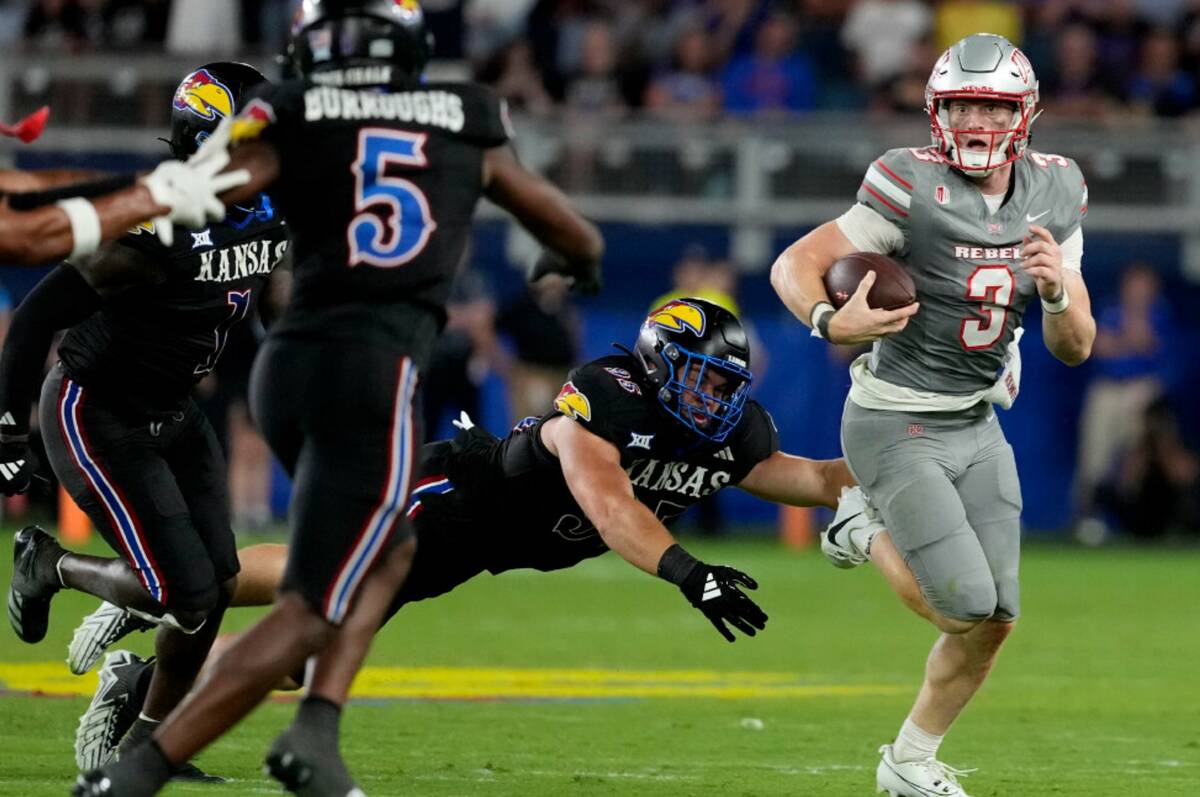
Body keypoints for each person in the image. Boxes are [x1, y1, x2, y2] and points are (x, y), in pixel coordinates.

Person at [75, 2, 603, 795]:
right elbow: (574, 234)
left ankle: (276, 718)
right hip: (372, 367)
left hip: (286, 365)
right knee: (332, 591)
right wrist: (577, 259)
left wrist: (81, 219)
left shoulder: (292, 110)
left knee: (367, 561)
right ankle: (182, 761)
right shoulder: (462, 113)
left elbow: (197, 190)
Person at [71, 299, 854, 770]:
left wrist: (917, 473)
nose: (720, 398)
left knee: (297, 651)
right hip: (454, 497)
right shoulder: (604, 396)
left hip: (481, 546)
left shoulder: (730, 434)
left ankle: (145, 668)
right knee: (313, 611)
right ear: (661, 365)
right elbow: (610, 503)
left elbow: (817, 479)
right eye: (708, 379)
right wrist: (691, 572)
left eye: (728, 384)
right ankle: (164, 587)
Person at [770, 33, 1096, 797]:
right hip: (894, 416)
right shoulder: (908, 182)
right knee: (963, 605)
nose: (976, 120)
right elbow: (796, 262)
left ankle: (909, 761)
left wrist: (1054, 293)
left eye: (992, 104)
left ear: (1025, 113)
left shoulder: (1057, 190)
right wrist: (827, 320)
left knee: (999, 616)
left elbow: (1077, 346)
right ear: (935, 109)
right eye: (961, 103)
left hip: (976, 419)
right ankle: (857, 516)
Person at [1, 62, 288, 781]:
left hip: (173, 409)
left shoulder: (269, 210)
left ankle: (151, 752)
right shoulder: (155, 228)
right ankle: (50, 563)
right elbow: (36, 315)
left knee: (216, 582)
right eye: (255, 136)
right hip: (96, 411)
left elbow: (269, 302)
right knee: (179, 592)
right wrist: (6, 429)